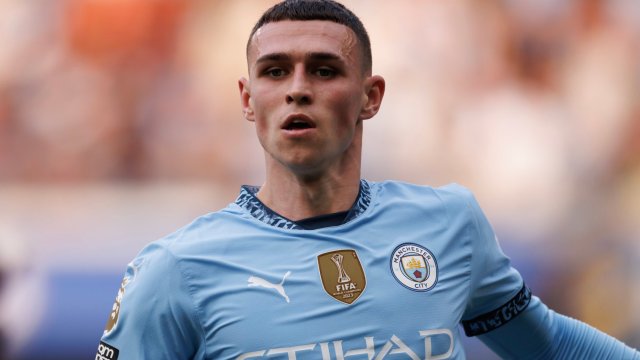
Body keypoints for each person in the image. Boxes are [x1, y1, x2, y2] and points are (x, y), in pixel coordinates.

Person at [96, 1, 640, 359]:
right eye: (275, 71)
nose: (297, 89)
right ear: (247, 99)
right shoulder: (175, 270)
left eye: (325, 69)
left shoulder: (448, 224)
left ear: (370, 96)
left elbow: (548, 344)